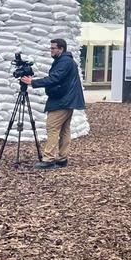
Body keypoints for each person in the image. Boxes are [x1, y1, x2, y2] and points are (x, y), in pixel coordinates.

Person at [21, 38, 86, 170]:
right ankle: (62, 158)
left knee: (52, 127)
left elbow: (55, 78)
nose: (51, 50)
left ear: (61, 49)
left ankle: (49, 159)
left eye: (53, 48)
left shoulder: (64, 62)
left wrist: (33, 82)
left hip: (62, 100)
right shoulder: (65, 60)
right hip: (67, 99)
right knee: (64, 129)